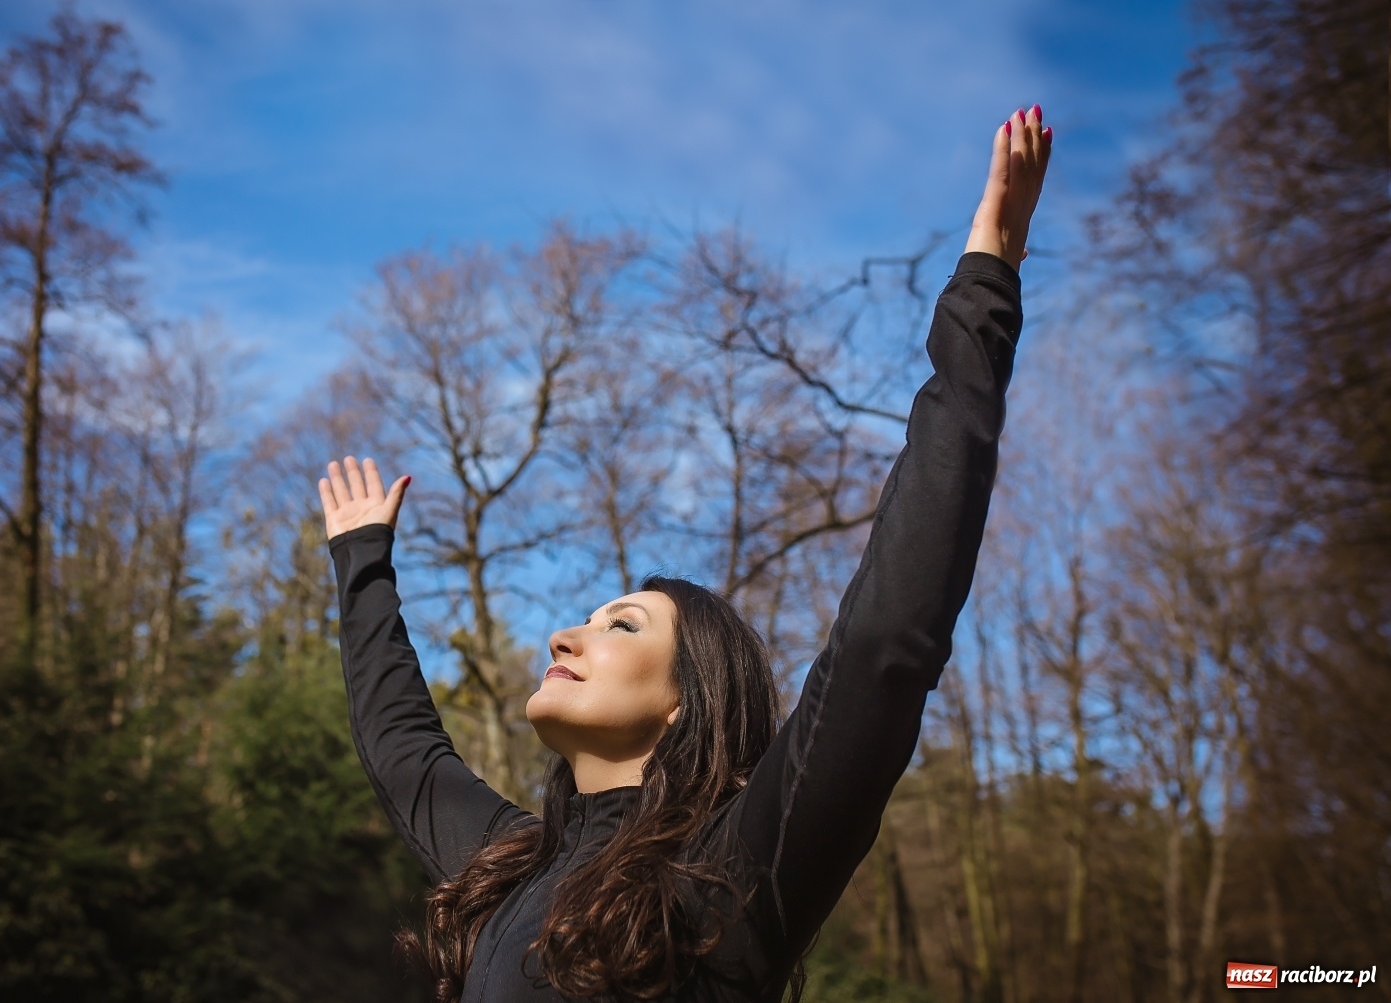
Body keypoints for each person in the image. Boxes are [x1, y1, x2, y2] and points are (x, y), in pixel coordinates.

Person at [318, 106, 1052, 1003]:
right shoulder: (505, 865)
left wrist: (987, 286)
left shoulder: (733, 872)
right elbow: (403, 749)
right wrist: (361, 558)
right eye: (586, 619)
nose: (566, 636)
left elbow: (883, 641)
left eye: (619, 624)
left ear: (682, 706)